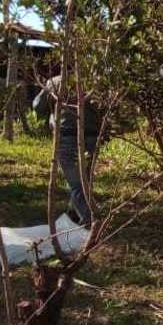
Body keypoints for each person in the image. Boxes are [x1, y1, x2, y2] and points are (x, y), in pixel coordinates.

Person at [32, 73, 102, 226]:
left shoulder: (56, 82)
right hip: (92, 137)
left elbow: (37, 106)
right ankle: (74, 215)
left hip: (67, 137)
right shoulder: (94, 81)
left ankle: (90, 220)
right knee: (84, 180)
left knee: (76, 183)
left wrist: (50, 113)